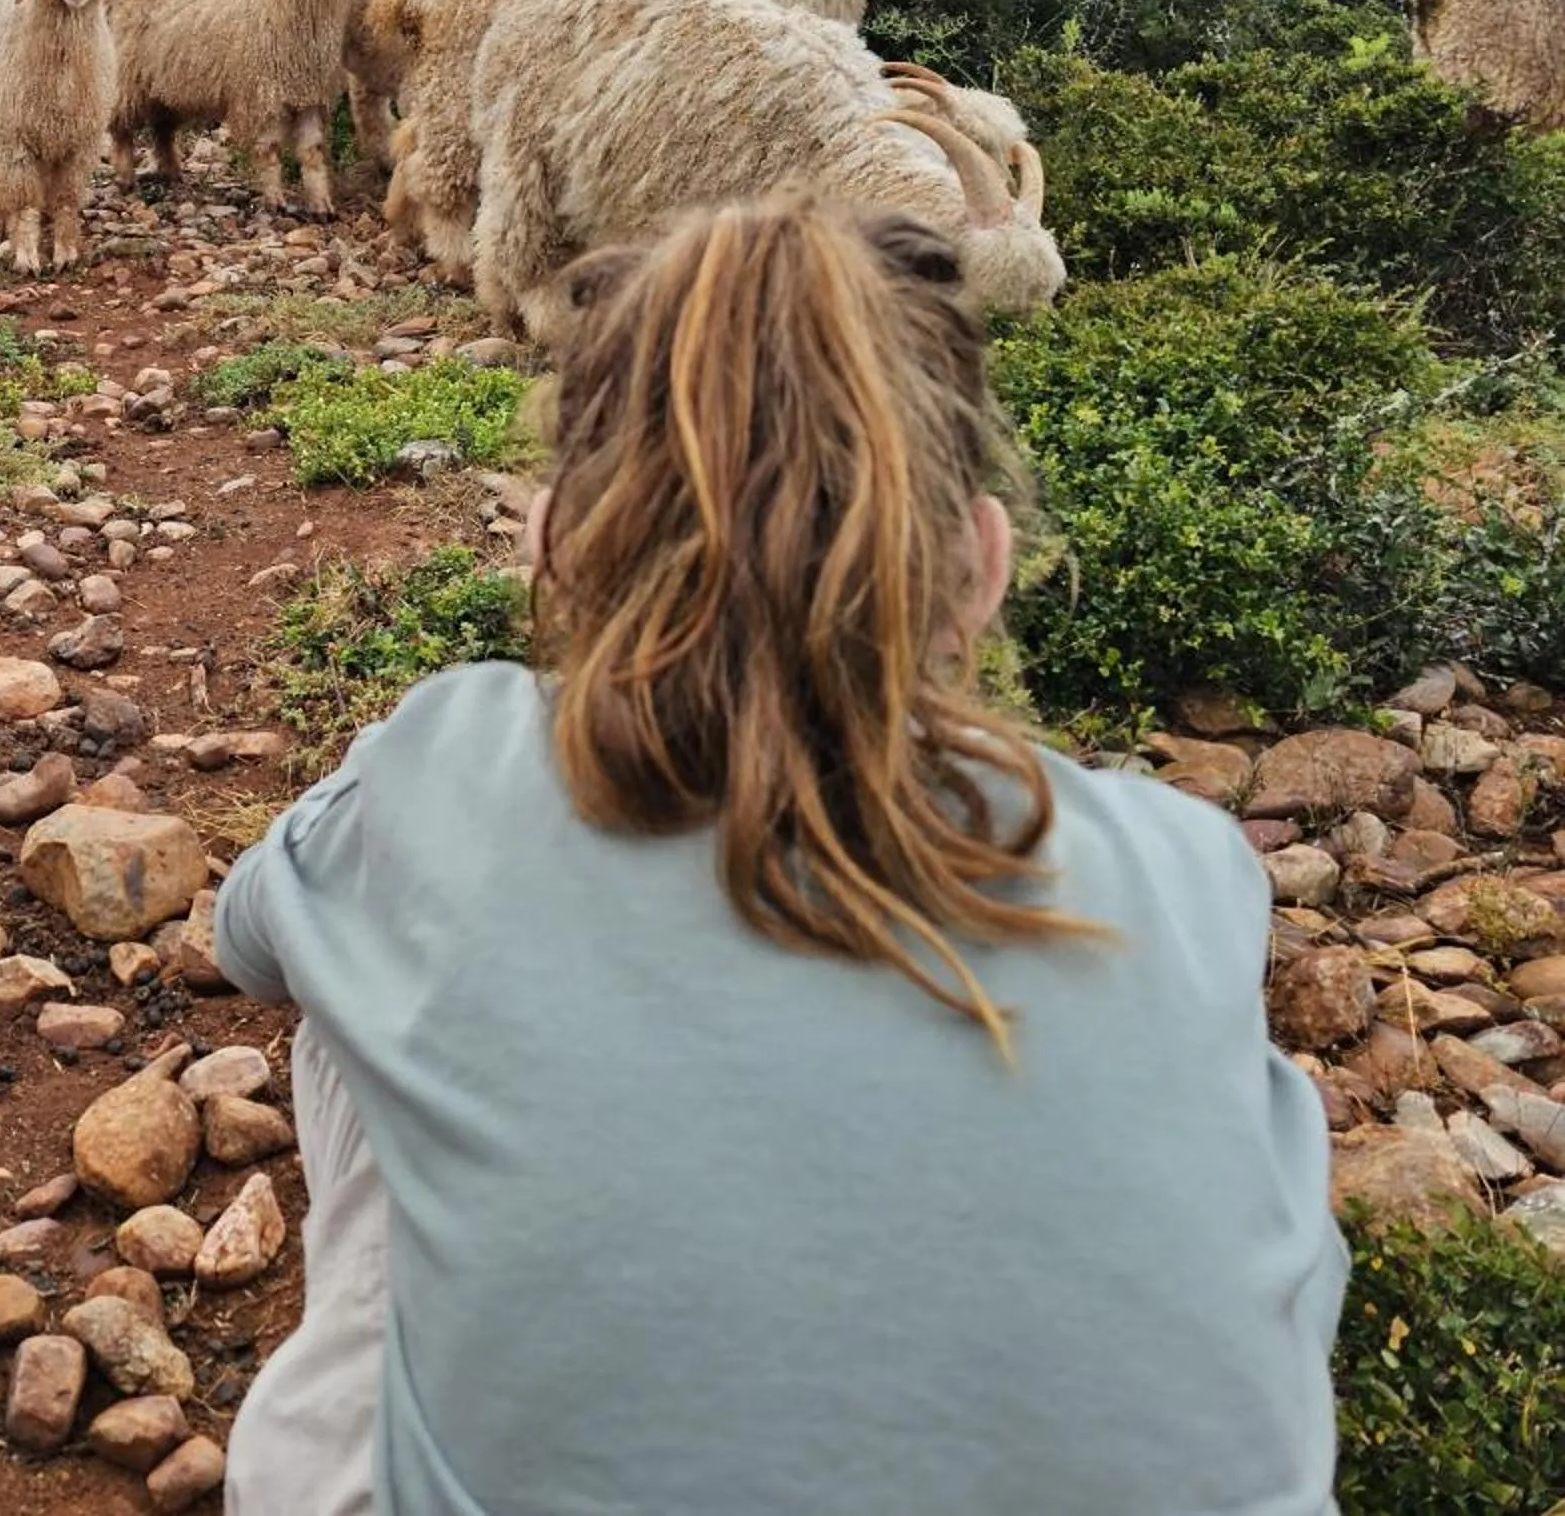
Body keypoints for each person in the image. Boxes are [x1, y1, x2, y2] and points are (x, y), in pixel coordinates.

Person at [215, 197, 1345, 1516]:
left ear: (553, 543)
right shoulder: (1187, 867)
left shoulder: (447, 766)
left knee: (353, 997)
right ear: (982, 566)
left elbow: (249, 939)